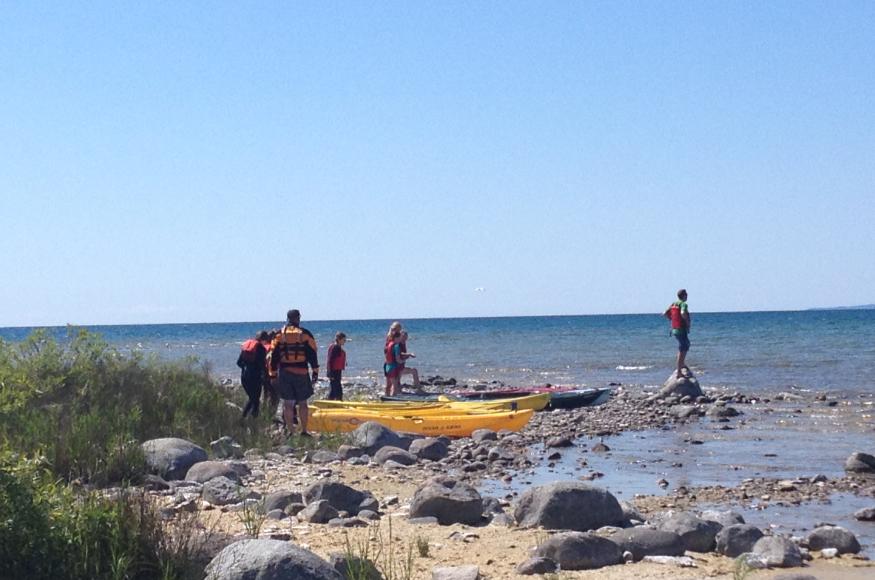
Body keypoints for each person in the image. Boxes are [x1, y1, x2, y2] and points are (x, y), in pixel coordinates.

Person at [270, 309, 319, 437]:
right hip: (302, 372)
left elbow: (273, 356)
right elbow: (313, 354)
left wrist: (273, 374)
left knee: (288, 403)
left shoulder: (279, 335)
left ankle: (291, 431)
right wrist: (315, 372)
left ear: (288, 318)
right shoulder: (305, 334)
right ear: (298, 318)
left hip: (285, 372)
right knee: (303, 403)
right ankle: (304, 430)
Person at [237, 331, 268, 418]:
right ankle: (252, 421)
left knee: (252, 399)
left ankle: (244, 419)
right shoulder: (261, 348)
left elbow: (239, 363)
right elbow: (262, 365)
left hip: (244, 377)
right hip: (255, 378)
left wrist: (246, 368)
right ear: (264, 339)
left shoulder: (246, 347)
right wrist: (265, 375)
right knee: (255, 401)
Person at [664, 289, 692, 377]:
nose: (687, 296)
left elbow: (665, 313)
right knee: (683, 348)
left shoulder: (673, 304)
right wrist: (687, 322)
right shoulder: (683, 304)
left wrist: (672, 320)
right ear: (684, 295)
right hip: (681, 329)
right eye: (686, 294)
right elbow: (683, 313)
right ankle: (679, 371)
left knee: (685, 345)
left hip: (675, 329)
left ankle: (682, 364)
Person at [326, 332, 347, 400]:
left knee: (336, 388)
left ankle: (336, 401)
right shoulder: (335, 347)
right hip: (334, 371)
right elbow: (330, 360)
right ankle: (333, 402)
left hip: (337, 370)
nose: (345, 341)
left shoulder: (338, 348)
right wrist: (330, 373)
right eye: (344, 340)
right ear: (339, 339)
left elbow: (337, 358)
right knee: (335, 389)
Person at [383, 323, 403, 396]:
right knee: (395, 384)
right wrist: (402, 361)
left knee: (388, 384)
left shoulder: (389, 342)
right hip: (393, 366)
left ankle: (387, 396)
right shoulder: (395, 345)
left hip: (387, 365)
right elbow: (398, 358)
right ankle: (393, 398)